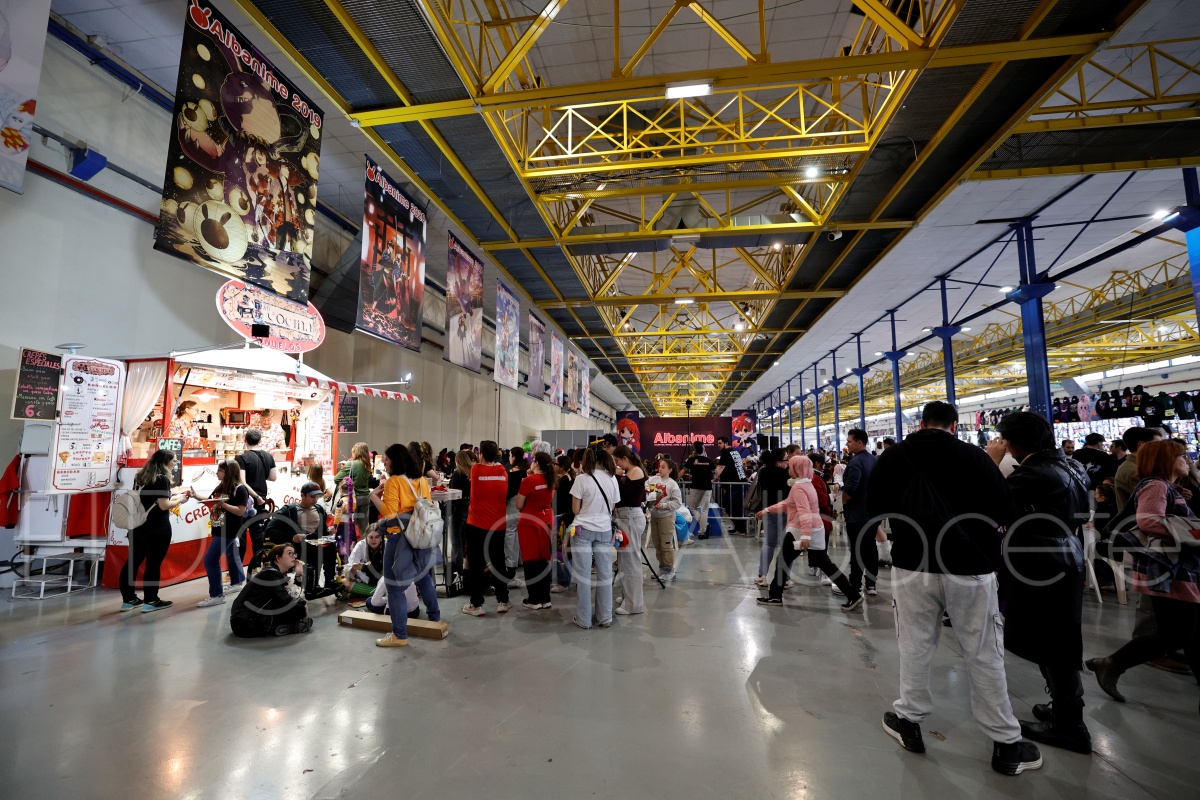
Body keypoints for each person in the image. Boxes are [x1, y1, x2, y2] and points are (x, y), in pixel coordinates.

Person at [869, 401, 1041, 775]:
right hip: (970, 563)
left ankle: (910, 722)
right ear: (954, 425)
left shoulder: (894, 456)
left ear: (921, 423)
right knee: (983, 650)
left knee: (914, 644)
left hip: (912, 563)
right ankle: (1006, 744)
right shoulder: (974, 456)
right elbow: (1005, 508)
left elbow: (873, 507)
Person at [988, 413, 1092, 754]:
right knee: (1060, 635)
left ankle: (1069, 725)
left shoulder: (1032, 473)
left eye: (1004, 440)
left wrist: (991, 464)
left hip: (1040, 559)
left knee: (1053, 641)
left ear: (1014, 442)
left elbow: (991, 506)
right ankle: (1064, 708)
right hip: (1067, 552)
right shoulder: (1072, 466)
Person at [1085, 439, 1200, 708]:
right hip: (1168, 570)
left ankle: (1112, 664)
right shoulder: (1156, 486)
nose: (1186, 460)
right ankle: (1112, 663)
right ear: (1166, 461)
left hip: (1174, 569)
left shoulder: (1165, 487)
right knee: (1177, 634)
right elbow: (1147, 520)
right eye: (1180, 456)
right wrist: (1191, 532)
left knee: (1188, 632)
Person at [755, 455, 861, 609]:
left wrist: (805, 535)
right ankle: (853, 595)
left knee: (783, 561)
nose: (788, 468)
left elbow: (804, 512)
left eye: (791, 466)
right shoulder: (806, 484)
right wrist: (767, 510)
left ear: (796, 469)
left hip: (800, 530)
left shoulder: (799, 487)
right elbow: (789, 503)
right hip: (815, 528)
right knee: (825, 564)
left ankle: (775, 596)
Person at [369, 443, 442, 646]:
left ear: (395, 460)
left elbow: (390, 514)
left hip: (399, 539)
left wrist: (373, 496)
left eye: (386, 459)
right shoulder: (421, 480)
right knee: (422, 577)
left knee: (393, 587)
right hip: (421, 537)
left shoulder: (394, 482)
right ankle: (435, 619)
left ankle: (399, 635)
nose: (384, 462)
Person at [119, 449, 189, 613]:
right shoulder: (162, 479)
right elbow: (164, 505)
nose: (175, 463)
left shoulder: (140, 477)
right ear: (165, 462)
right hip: (157, 527)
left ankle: (128, 600)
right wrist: (180, 500)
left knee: (132, 563)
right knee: (153, 564)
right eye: (174, 460)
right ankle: (151, 600)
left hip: (137, 526)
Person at [462, 441, 514, 616]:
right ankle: (503, 601)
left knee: (476, 564)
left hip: (476, 524)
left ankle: (476, 604)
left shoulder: (476, 470)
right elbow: (497, 466)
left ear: (481, 455)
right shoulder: (502, 471)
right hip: (497, 525)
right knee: (498, 562)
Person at [570, 445, 620, 629]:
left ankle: (583, 619)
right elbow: (613, 507)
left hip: (582, 529)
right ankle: (605, 617)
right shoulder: (612, 479)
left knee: (583, 575)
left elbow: (575, 509)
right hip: (605, 529)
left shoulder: (581, 479)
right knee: (605, 574)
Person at [265, 482, 335, 598]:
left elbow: (323, 530)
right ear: (302, 495)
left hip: (314, 541)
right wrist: (292, 537)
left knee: (331, 547)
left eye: (317, 497)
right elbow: (270, 530)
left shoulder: (319, 509)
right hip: (296, 544)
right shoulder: (289, 510)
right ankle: (312, 586)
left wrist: (328, 530)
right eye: (312, 497)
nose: (315, 500)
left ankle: (330, 581)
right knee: (316, 551)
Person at [196, 460, 250, 608]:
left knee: (210, 559)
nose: (217, 473)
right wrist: (195, 495)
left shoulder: (240, 489)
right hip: (219, 527)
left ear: (228, 472)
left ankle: (217, 594)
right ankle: (237, 582)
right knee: (232, 554)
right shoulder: (221, 486)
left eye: (220, 470)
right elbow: (210, 500)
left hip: (228, 530)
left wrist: (223, 504)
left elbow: (240, 511)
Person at [229, 543, 312, 637]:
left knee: (297, 608)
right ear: (278, 558)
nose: (294, 556)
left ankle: (284, 626)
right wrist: (303, 604)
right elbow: (286, 599)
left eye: (294, 553)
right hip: (245, 624)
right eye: (290, 553)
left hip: (245, 619)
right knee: (299, 609)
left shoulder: (274, 574)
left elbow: (291, 595)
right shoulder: (270, 575)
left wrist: (298, 575)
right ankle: (278, 628)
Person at [841, 428, 879, 597]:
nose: (847, 444)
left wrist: (844, 500)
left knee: (857, 550)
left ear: (859, 442)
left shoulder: (855, 462)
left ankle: (855, 584)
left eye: (849, 442)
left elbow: (851, 488)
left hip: (857, 514)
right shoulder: (875, 460)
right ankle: (871, 584)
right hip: (872, 513)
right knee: (870, 547)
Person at [516, 451, 556, 609]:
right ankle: (545, 598)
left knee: (531, 560)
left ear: (537, 463)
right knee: (543, 558)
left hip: (529, 522)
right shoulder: (551, 479)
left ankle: (534, 599)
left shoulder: (528, 481)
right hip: (546, 519)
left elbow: (519, 504)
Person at [612, 445, 647, 615]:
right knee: (625, 561)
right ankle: (628, 596)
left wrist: (617, 476)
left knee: (631, 562)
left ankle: (634, 604)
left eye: (617, 460)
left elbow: (625, 495)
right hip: (625, 517)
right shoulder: (629, 472)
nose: (616, 464)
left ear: (625, 459)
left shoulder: (636, 471)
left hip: (630, 517)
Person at [237, 429, 278, 568]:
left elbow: (242, 481)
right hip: (261, 499)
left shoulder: (242, 458)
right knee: (257, 534)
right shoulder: (268, 456)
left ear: (245, 440)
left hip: (245, 500)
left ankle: (237, 569)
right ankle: (256, 565)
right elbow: (273, 477)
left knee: (241, 534)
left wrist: (255, 496)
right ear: (260, 441)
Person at [647, 457, 683, 582]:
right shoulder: (653, 479)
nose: (660, 469)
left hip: (666, 517)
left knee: (666, 545)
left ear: (670, 470)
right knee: (657, 545)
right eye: (659, 466)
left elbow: (677, 503)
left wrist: (664, 505)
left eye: (663, 467)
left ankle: (670, 570)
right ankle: (662, 568)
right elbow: (645, 487)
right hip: (654, 517)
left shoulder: (672, 484)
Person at [1114, 427, 1164, 509]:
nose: (1161, 448)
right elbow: (1155, 503)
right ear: (1141, 445)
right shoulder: (1133, 471)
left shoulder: (1139, 466)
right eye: (1157, 444)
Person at [447, 449, 475, 572]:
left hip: (458, 507)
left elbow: (453, 493)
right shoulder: (472, 472)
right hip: (469, 506)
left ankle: (457, 568)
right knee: (463, 537)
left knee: (455, 539)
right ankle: (464, 565)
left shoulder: (457, 474)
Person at [552, 454, 576, 593]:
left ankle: (563, 581)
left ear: (561, 467)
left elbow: (560, 501)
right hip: (564, 518)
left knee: (561, 550)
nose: (553, 466)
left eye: (555, 464)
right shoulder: (566, 479)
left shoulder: (566, 481)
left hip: (563, 519)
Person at [334, 441, 373, 528]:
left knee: (350, 526)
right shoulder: (367, 465)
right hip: (365, 497)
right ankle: (365, 537)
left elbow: (336, 479)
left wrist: (346, 482)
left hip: (353, 497)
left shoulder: (351, 464)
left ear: (356, 452)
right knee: (364, 526)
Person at [341, 525, 386, 599]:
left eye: (377, 537)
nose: (373, 540)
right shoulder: (360, 545)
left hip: (383, 582)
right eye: (370, 537)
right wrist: (354, 568)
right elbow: (349, 576)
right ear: (366, 537)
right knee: (344, 583)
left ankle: (365, 593)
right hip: (363, 581)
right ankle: (381, 594)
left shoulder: (387, 545)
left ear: (381, 537)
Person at [683, 442, 716, 540]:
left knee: (692, 507)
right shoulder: (709, 461)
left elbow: (683, 471)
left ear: (694, 449)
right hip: (707, 487)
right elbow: (714, 473)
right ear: (703, 448)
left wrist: (675, 479)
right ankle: (702, 532)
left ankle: (705, 526)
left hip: (696, 487)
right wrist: (713, 480)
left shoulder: (691, 460)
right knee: (704, 510)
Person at [715, 436, 748, 534]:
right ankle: (739, 527)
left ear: (726, 443)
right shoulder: (735, 451)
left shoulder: (726, 453)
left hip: (735, 485)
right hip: (741, 483)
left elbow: (720, 468)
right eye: (718, 443)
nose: (718, 445)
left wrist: (712, 478)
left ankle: (741, 527)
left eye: (720, 443)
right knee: (736, 506)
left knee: (729, 504)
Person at [505, 446, 529, 577]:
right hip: (524, 504)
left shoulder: (513, 473)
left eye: (510, 455)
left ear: (514, 457)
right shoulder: (526, 471)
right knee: (518, 533)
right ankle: (520, 559)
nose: (509, 458)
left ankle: (510, 562)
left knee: (510, 532)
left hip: (513, 503)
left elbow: (508, 491)